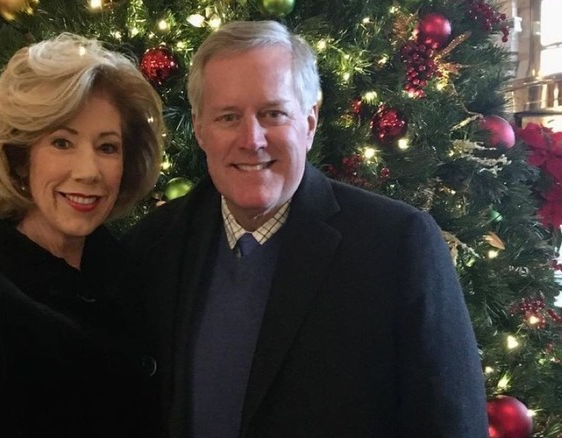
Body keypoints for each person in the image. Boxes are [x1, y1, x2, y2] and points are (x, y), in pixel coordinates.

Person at [123, 20, 488, 437]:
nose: (251, 139)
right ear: (201, 129)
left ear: (310, 122)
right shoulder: (155, 245)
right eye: (227, 117)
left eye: (272, 113)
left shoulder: (397, 246)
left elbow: (449, 425)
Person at [0, 33, 165, 437]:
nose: (88, 171)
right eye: (62, 142)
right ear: (20, 157)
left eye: (108, 147)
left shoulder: (131, 272)